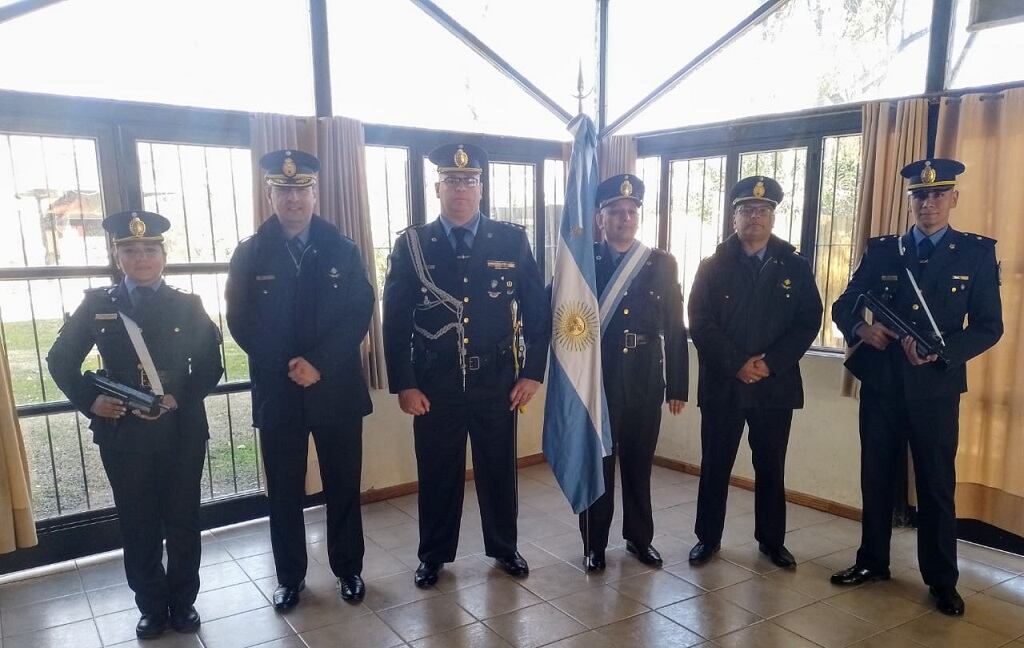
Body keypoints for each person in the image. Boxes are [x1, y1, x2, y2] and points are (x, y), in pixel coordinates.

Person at [830, 159, 1002, 616]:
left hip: (936, 389)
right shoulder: (885, 250)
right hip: (883, 383)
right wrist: (860, 331)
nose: (929, 203)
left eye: (938, 195)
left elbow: (989, 326)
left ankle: (942, 580)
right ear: (910, 201)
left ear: (953, 199)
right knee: (876, 478)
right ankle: (872, 561)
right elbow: (844, 303)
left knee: (936, 485)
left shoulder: (976, 254)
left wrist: (941, 353)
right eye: (920, 196)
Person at [382, 143, 551, 587]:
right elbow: (395, 320)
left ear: (481, 188)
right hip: (434, 384)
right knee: (438, 472)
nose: (461, 188)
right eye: (452, 180)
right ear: (437, 187)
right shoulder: (413, 244)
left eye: (470, 180)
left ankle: (504, 547)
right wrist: (405, 383)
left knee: (498, 471)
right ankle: (433, 555)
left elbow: (537, 310)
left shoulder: (511, 239)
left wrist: (533, 371)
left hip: (497, 380)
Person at [48, 210, 223, 639]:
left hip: (180, 428)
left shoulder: (187, 304)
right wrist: (92, 400)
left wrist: (179, 396)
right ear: (117, 255)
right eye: (131, 250)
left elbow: (209, 365)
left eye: (149, 249)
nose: (141, 257)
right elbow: (59, 360)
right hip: (124, 433)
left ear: (162, 255)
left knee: (182, 519)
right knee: (138, 520)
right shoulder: (98, 306)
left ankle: (183, 603)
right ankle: (150, 605)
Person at [225, 149, 374, 608]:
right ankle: (290, 577)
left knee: (343, 486)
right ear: (270, 193)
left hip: (337, 391)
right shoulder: (250, 254)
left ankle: (348, 569)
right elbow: (240, 319)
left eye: (301, 189)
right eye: (283, 189)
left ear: (315, 193)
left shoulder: (343, 249)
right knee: (284, 493)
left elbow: (358, 313)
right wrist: (289, 365)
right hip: (279, 391)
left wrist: (320, 364)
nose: (293, 198)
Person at [687, 176, 823, 568]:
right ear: (734, 218)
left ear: (773, 217)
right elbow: (699, 321)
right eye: (746, 210)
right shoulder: (712, 266)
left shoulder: (794, 266)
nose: (755, 217)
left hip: (773, 386)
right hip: (723, 385)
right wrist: (736, 364)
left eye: (762, 210)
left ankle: (771, 540)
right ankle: (707, 538)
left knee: (771, 466)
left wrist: (771, 362)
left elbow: (808, 319)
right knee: (715, 464)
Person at [578, 174, 687, 572]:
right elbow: (561, 315)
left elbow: (675, 325)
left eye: (631, 211)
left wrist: (677, 383)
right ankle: (594, 545)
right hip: (597, 379)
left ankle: (640, 540)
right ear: (599, 219)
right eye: (615, 212)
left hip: (644, 376)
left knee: (640, 465)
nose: (625, 218)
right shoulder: (583, 261)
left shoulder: (661, 263)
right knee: (599, 467)